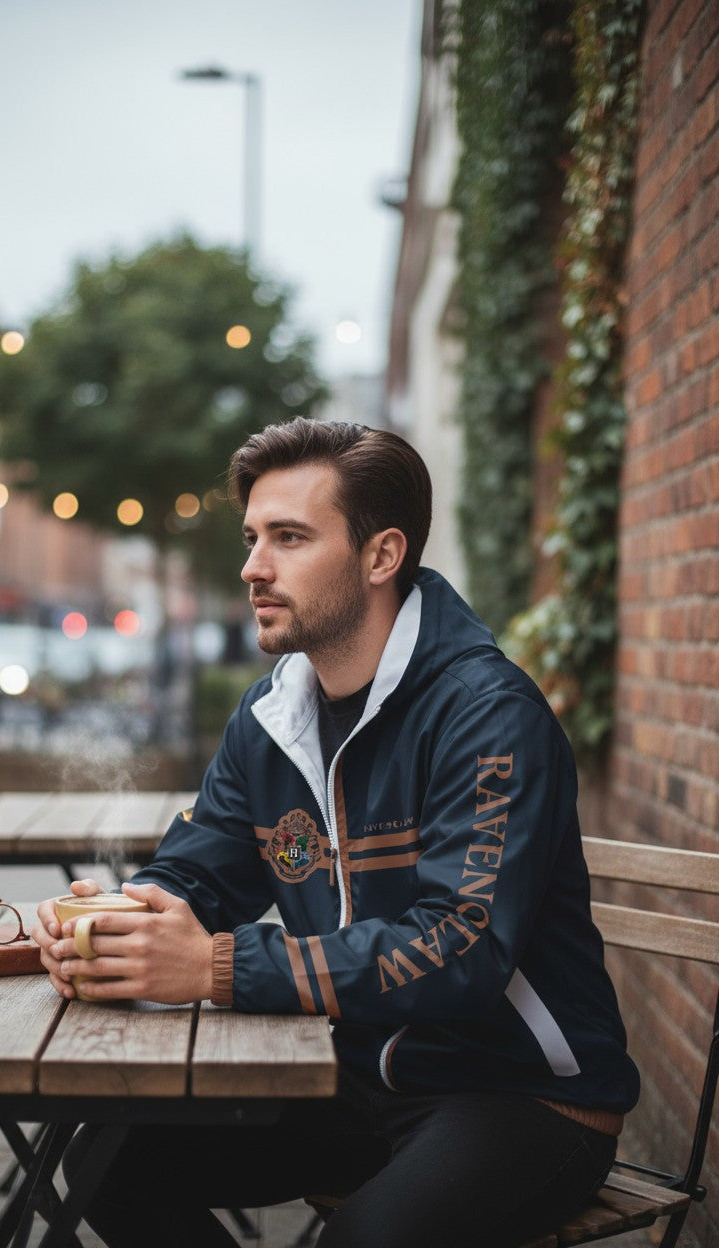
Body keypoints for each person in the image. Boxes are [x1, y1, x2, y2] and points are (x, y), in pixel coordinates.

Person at [33, 418, 639, 1248]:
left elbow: (459, 948)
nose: (252, 567)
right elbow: (204, 872)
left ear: (381, 556)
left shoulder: (488, 714)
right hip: (353, 1078)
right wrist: (122, 921)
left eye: (288, 537)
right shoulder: (272, 716)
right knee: (112, 1165)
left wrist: (214, 966)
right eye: (252, 537)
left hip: (518, 1095)